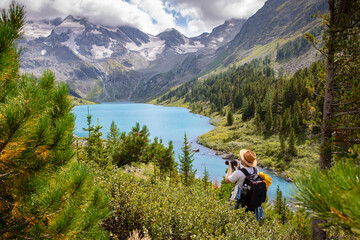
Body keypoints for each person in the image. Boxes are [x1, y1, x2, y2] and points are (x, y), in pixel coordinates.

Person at [225, 149, 263, 215]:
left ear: (243, 161)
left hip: (239, 201)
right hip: (251, 202)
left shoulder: (239, 173)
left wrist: (230, 168)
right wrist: (239, 168)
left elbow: (227, 180)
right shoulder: (256, 170)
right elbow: (247, 175)